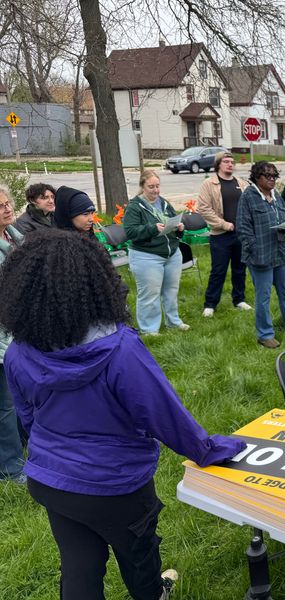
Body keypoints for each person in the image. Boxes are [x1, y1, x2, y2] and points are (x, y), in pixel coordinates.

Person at [0, 229, 245, 600]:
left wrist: (56, 453)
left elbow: (28, 417)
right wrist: (208, 449)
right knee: (140, 560)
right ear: (96, 281)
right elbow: (164, 416)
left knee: (79, 570)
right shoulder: (120, 350)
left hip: (51, 480)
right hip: (117, 486)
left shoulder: (18, 351)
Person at [237, 161, 285, 349]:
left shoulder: (276, 195)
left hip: (279, 252)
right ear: (256, 177)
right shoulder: (248, 197)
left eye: (275, 176)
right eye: (267, 176)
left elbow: (280, 221)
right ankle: (265, 334)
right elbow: (243, 228)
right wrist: (254, 249)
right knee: (264, 296)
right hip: (260, 256)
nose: (272, 179)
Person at [123, 170, 188, 336]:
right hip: (146, 256)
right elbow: (130, 232)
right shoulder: (135, 206)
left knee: (171, 291)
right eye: (151, 186)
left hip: (172, 253)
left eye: (157, 186)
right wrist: (152, 228)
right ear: (142, 187)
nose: (155, 190)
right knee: (149, 295)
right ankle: (149, 329)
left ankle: (173, 322)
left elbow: (174, 221)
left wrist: (179, 228)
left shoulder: (164, 203)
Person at [196, 151, 252, 318]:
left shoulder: (241, 183)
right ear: (218, 165)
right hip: (220, 235)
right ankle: (210, 304)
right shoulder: (209, 184)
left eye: (232, 162)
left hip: (240, 234)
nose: (230, 164)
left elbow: (249, 205)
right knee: (218, 270)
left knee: (240, 268)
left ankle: (239, 299)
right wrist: (223, 224)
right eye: (226, 161)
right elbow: (204, 208)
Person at [0, 184, 25, 484]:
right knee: (5, 406)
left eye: (7, 203)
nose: (7, 208)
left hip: (19, 333)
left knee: (22, 398)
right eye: (0, 205)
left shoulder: (16, 237)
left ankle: (18, 449)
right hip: (3, 336)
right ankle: (11, 469)